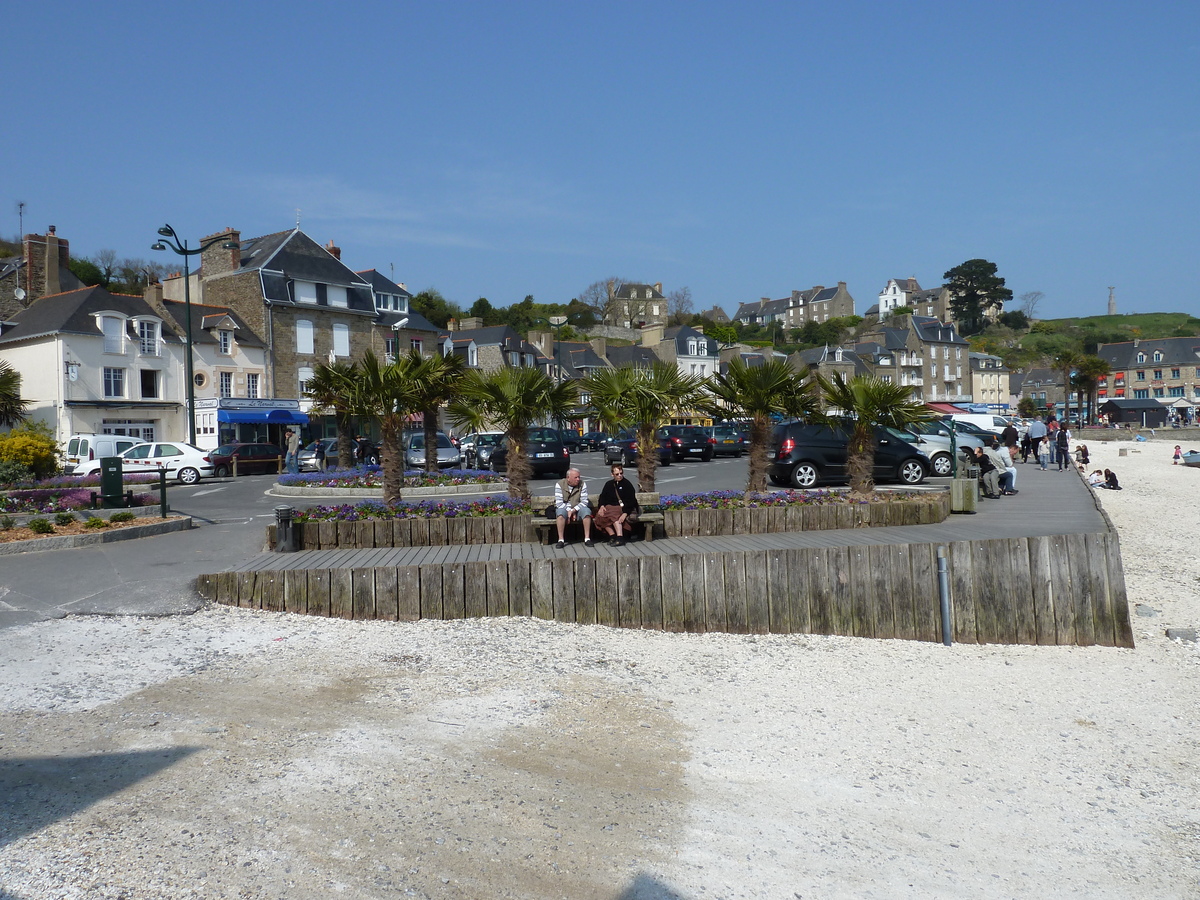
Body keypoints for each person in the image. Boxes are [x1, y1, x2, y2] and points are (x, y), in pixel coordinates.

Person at [592, 463, 640, 545]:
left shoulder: (627, 484)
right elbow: (603, 497)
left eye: (621, 473)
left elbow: (631, 501)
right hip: (609, 507)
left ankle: (620, 537)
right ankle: (612, 535)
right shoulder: (609, 484)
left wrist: (625, 513)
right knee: (600, 516)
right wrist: (602, 506)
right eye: (617, 474)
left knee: (613, 515)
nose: (620, 476)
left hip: (622, 507)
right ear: (612, 474)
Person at [554, 468, 593, 549]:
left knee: (586, 512)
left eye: (579, 477)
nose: (578, 479)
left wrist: (573, 510)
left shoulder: (582, 484)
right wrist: (569, 511)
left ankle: (587, 538)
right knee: (560, 514)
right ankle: (560, 540)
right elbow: (559, 503)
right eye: (576, 477)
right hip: (564, 508)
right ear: (568, 477)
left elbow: (584, 501)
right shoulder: (559, 484)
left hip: (577, 508)